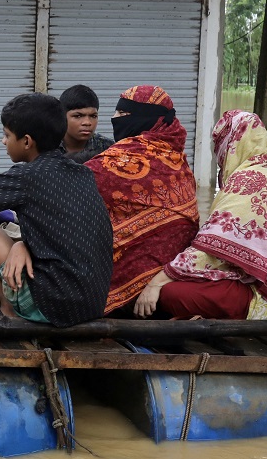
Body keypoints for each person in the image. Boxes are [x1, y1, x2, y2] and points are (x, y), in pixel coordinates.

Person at [0, 93, 113, 326]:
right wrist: (20, 244)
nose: (3, 141)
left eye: (7, 135)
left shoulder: (26, 176)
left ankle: (6, 303)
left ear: (27, 142)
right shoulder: (82, 173)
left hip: (51, 306)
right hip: (91, 304)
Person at [134, 110, 267, 320]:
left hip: (260, 300)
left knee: (169, 293)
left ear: (231, 143)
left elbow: (210, 251)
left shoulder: (247, 181)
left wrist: (157, 282)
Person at [86, 85, 200, 316]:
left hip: (126, 289)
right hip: (168, 278)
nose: (113, 119)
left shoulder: (117, 161)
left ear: (144, 118)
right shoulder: (178, 160)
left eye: (122, 115)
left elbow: (71, 190)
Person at [58, 84, 114, 163]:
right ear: (63, 116)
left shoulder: (108, 149)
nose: (87, 123)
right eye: (78, 116)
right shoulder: (47, 146)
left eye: (93, 116)